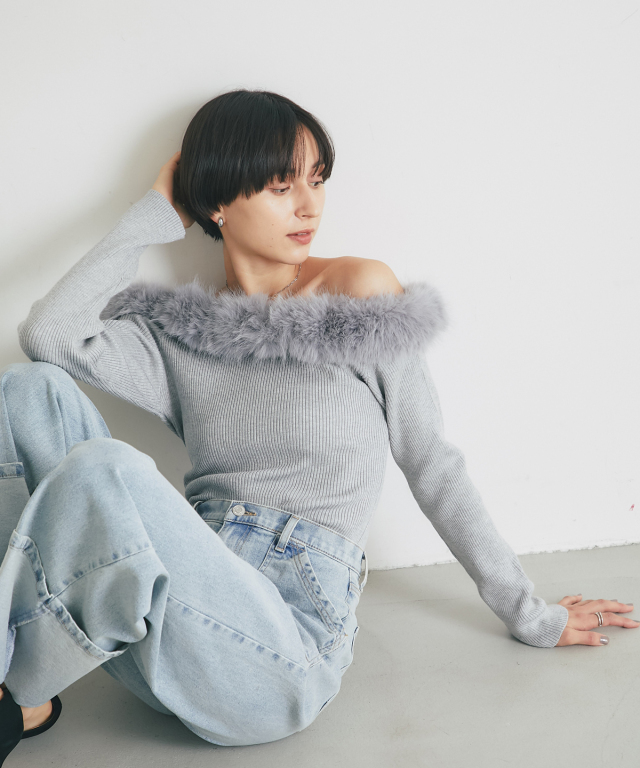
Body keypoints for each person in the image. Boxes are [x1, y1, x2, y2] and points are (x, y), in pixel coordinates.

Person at [0, 89, 637, 764]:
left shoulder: (356, 293)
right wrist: (158, 211)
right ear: (216, 202)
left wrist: (530, 613)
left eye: (317, 179)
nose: (310, 206)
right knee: (26, 391)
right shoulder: (177, 336)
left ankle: (17, 689)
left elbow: (430, 459)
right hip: (178, 624)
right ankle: (17, 682)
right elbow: (49, 335)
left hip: (279, 652)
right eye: (282, 186)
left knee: (106, 471)